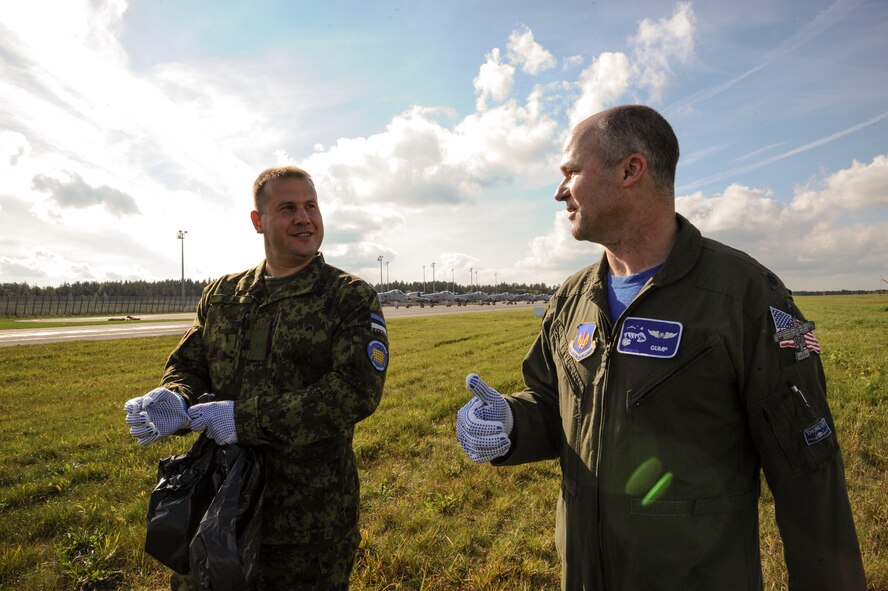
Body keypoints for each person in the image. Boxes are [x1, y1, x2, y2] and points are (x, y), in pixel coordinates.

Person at [455, 105, 866, 590]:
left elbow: (808, 474)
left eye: (571, 172)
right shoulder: (571, 298)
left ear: (631, 169)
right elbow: (554, 406)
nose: (559, 191)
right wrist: (509, 421)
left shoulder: (745, 295)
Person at [124, 165, 389, 590]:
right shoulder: (223, 294)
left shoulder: (346, 296)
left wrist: (244, 420)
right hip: (218, 501)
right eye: (288, 208)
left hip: (308, 518)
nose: (304, 218)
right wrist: (173, 395)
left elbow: (355, 391)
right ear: (258, 221)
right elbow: (189, 364)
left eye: (311, 206)